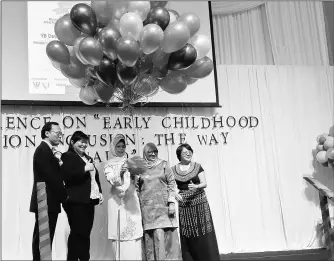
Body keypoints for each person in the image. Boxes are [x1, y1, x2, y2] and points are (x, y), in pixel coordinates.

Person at [172, 144, 220, 261]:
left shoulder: (197, 166)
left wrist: (197, 186)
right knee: (188, 234)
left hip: (200, 203)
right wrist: (174, 193)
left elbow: (204, 183)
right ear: (179, 155)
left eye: (190, 152)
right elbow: (170, 185)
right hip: (184, 205)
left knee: (203, 233)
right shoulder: (173, 170)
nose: (188, 154)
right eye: (185, 152)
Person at [60, 131, 104, 261]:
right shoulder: (67, 156)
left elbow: (94, 178)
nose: (84, 144)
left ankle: (84, 258)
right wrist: (84, 169)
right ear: (72, 142)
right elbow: (66, 175)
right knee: (77, 233)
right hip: (75, 201)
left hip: (88, 201)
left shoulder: (88, 158)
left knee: (85, 233)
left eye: (85, 142)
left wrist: (99, 192)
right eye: (81, 141)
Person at [29, 121, 68, 260]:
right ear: (47, 133)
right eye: (57, 133)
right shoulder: (43, 151)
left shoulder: (48, 151)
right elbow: (52, 178)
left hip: (48, 201)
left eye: (61, 134)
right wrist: (65, 196)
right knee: (42, 239)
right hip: (44, 200)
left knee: (45, 238)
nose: (60, 136)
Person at [137, 142, 182, 261]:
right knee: (152, 237)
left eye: (155, 151)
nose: (153, 154)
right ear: (145, 153)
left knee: (163, 235)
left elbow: (172, 184)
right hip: (148, 210)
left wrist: (172, 202)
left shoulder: (164, 165)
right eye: (149, 152)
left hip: (164, 208)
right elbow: (136, 188)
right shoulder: (140, 168)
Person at [104, 134, 143, 260]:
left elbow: (137, 181)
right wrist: (120, 172)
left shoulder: (130, 161)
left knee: (134, 234)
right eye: (118, 146)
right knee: (120, 234)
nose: (121, 149)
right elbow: (112, 180)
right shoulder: (108, 164)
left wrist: (135, 173)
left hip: (131, 200)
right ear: (113, 147)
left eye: (123, 146)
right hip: (117, 202)